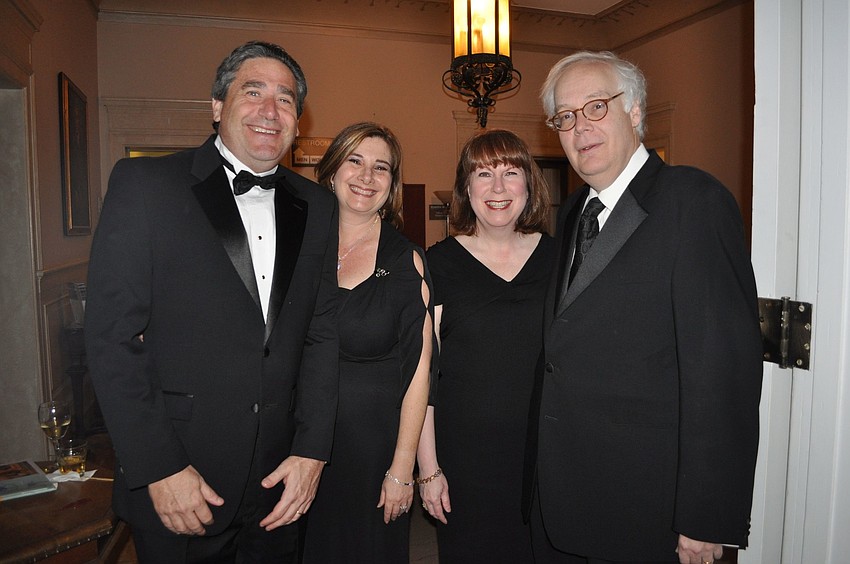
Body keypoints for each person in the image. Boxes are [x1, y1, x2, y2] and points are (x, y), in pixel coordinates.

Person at [85, 41, 339, 563]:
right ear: (218, 107)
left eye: (286, 99)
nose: (271, 111)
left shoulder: (317, 204)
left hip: (278, 482)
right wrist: (158, 466)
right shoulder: (145, 185)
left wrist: (311, 450)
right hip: (182, 478)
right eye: (253, 92)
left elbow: (320, 333)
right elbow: (111, 338)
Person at [527, 50, 763, 564]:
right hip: (566, 495)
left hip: (650, 508)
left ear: (634, 111)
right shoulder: (572, 211)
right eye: (564, 117)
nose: (579, 127)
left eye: (595, 107)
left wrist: (706, 516)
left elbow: (724, 373)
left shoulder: (693, 202)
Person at [417, 129, 554, 563]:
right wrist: (428, 469)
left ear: (529, 186)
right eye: (483, 174)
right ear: (465, 188)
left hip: (546, 461)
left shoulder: (561, 259)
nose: (497, 188)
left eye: (511, 173)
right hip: (466, 464)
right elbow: (422, 378)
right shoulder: (435, 264)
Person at [301, 122, 432, 563]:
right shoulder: (298, 249)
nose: (366, 176)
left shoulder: (406, 260)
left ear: (392, 185)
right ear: (333, 170)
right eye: (355, 161)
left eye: (381, 168)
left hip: (372, 452)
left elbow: (418, 374)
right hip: (299, 444)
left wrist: (402, 468)